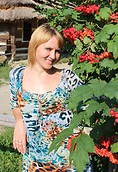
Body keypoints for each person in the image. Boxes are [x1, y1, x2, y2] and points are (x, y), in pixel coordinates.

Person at [10, 23, 92, 171]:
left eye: (57, 51)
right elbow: (15, 103)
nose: (53, 56)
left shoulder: (68, 79)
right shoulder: (16, 75)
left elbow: (91, 105)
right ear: (34, 46)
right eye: (48, 49)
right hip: (33, 159)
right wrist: (19, 121)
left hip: (68, 160)